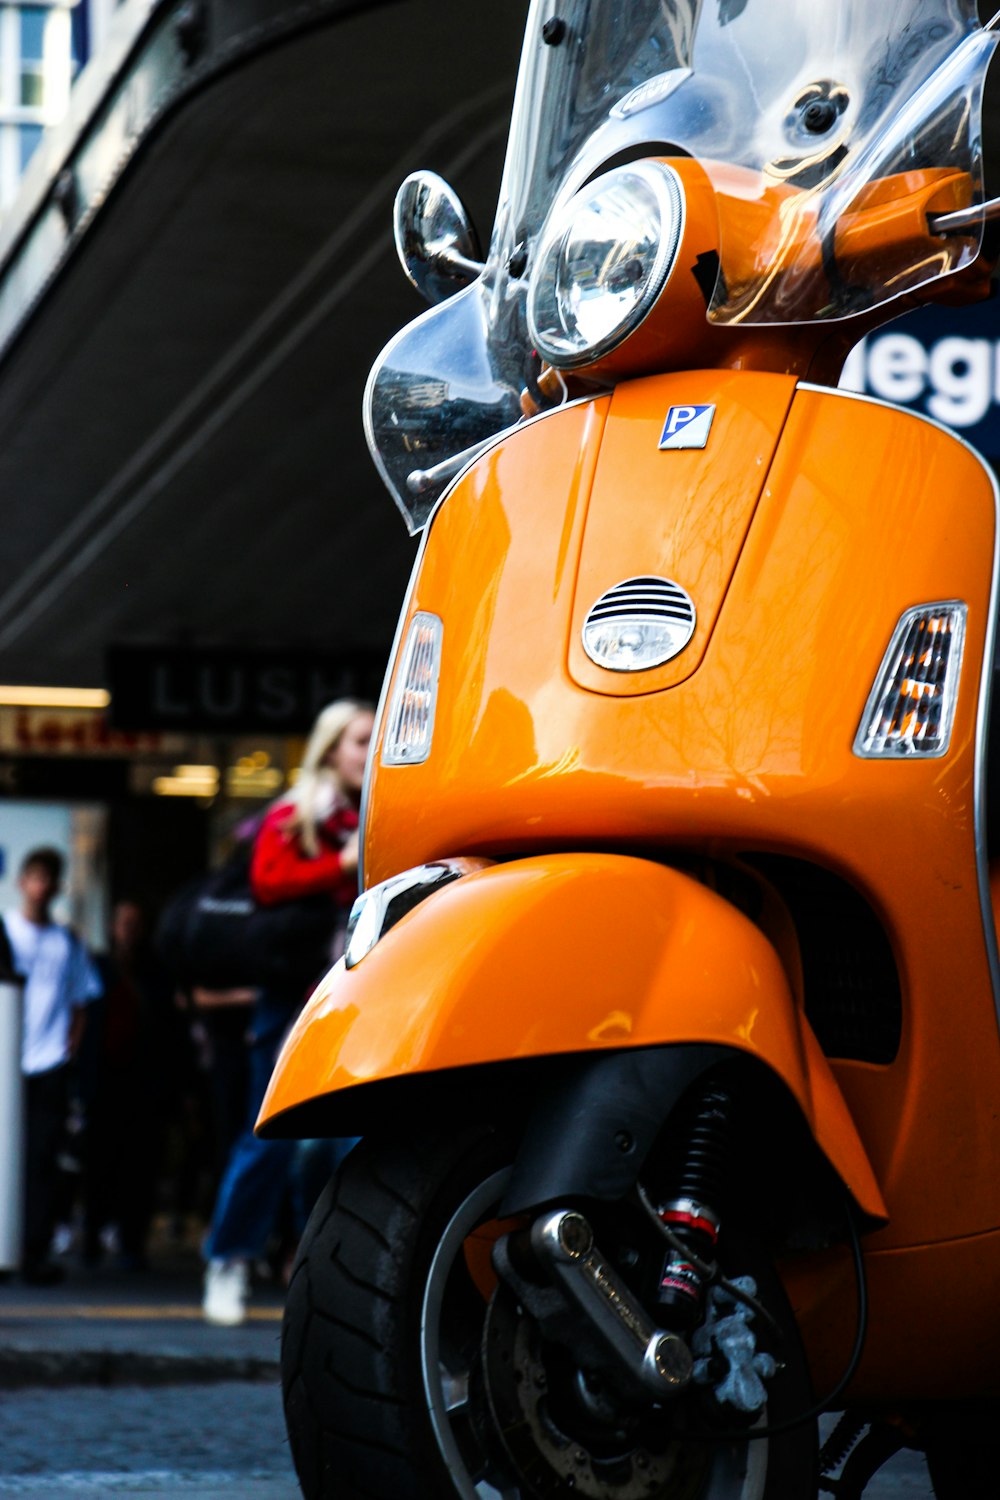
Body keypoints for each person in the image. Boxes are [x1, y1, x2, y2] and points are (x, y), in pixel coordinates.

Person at [201, 700, 374, 1325]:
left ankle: (325, 1270)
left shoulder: (375, 814)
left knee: (345, 1142)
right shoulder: (295, 814)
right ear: (331, 749)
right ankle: (228, 1259)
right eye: (360, 740)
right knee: (269, 1137)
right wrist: (340, 864)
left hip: (353, 996)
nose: (370, 749)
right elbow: (269, 884)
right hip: (290, 998)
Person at [3, 847, 102, 1283]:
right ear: (22, 882)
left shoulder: (66, 942)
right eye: (35, 877)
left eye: (49, 879)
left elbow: (81, 1001)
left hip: (48, 1064)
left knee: (42, 1161)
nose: (41, 887)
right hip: (8, 1062)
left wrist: (69, 1050)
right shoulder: (6, 932)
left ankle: (32, 1251)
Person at [79, 898, 181, 1270]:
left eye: (136, 922)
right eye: (123, 922)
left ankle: (131, 1242)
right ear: (112, 927)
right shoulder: (97, 968)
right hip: (105, 1079)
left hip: (144, 1082)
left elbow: (170, 1030)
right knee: (99, 1163)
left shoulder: (157, 973)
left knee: (139, 1166)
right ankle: (91, 1237)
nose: (129, 930)